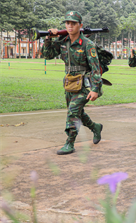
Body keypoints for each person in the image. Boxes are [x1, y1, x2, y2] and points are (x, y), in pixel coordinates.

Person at [42, 10, 103, 155]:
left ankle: (69, 143)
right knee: (77, 112)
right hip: (70, 83)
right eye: (67, 23)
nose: (70, 26)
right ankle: (95, 127)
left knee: (72, 112)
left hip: (85, 85)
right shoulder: (63, 42)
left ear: (80, 25)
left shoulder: (87, 44)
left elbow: (95, 69)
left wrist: (95, 89)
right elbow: (47, 55)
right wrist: (48, 39)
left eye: (73, 23)